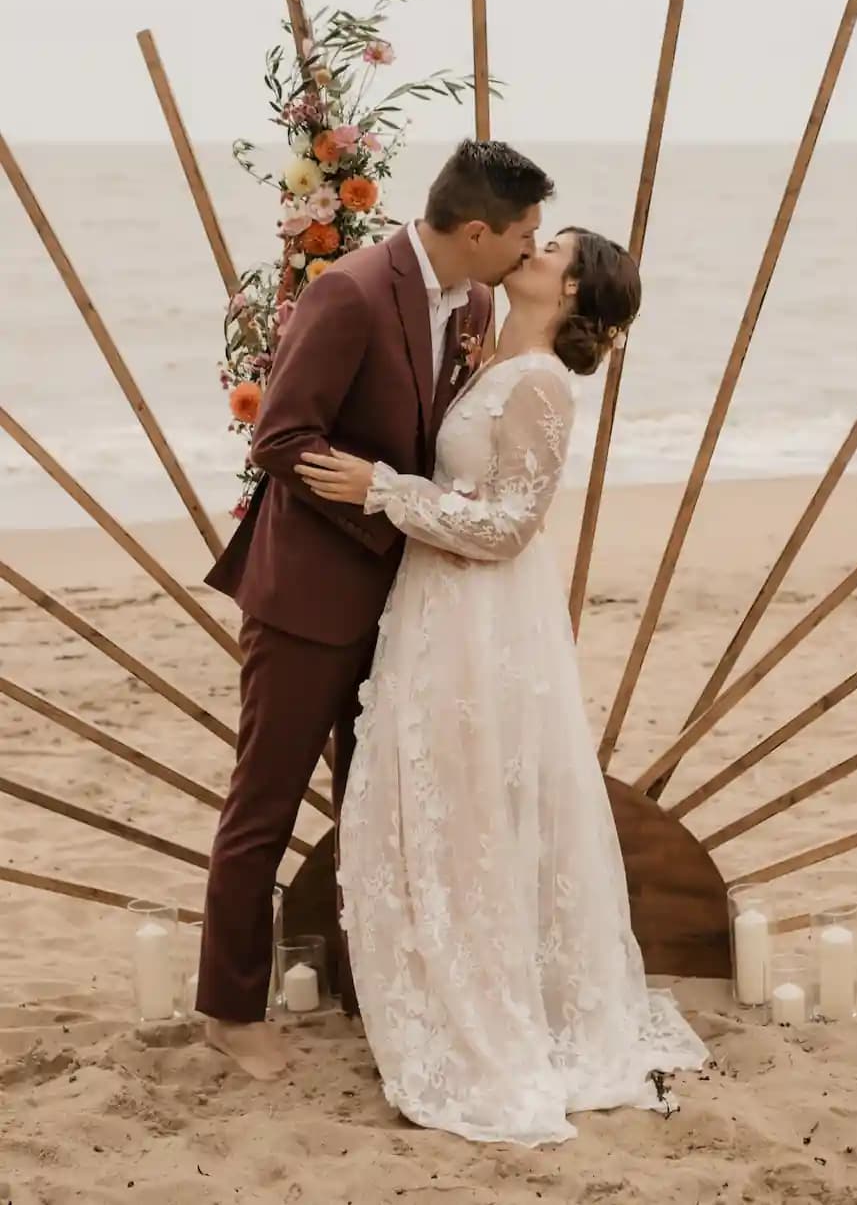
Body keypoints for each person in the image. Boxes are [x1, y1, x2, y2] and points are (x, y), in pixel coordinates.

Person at [296, 228, 708, 1146]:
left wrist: (383, 490)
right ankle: (449, 989)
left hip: (482, 615)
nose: (534, 247)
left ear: (575, 292)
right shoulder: (496, 361)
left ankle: (482, 1008)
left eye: (554, 248)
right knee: (440, 794)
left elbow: (512, 527)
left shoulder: (542, 384)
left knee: (469, 798)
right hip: (438, 605)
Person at [197, 140, 555, 1081]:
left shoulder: (476, 302)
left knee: (383, 806)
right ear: (477, 230)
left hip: (408, 611)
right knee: (264, 806)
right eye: (524, 233)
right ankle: (229, 1010)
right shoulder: (352, 292)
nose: (532, 247)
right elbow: (281, 438)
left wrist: (408, 512)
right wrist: (381, 509)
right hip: (310, 598)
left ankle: (377, 990)